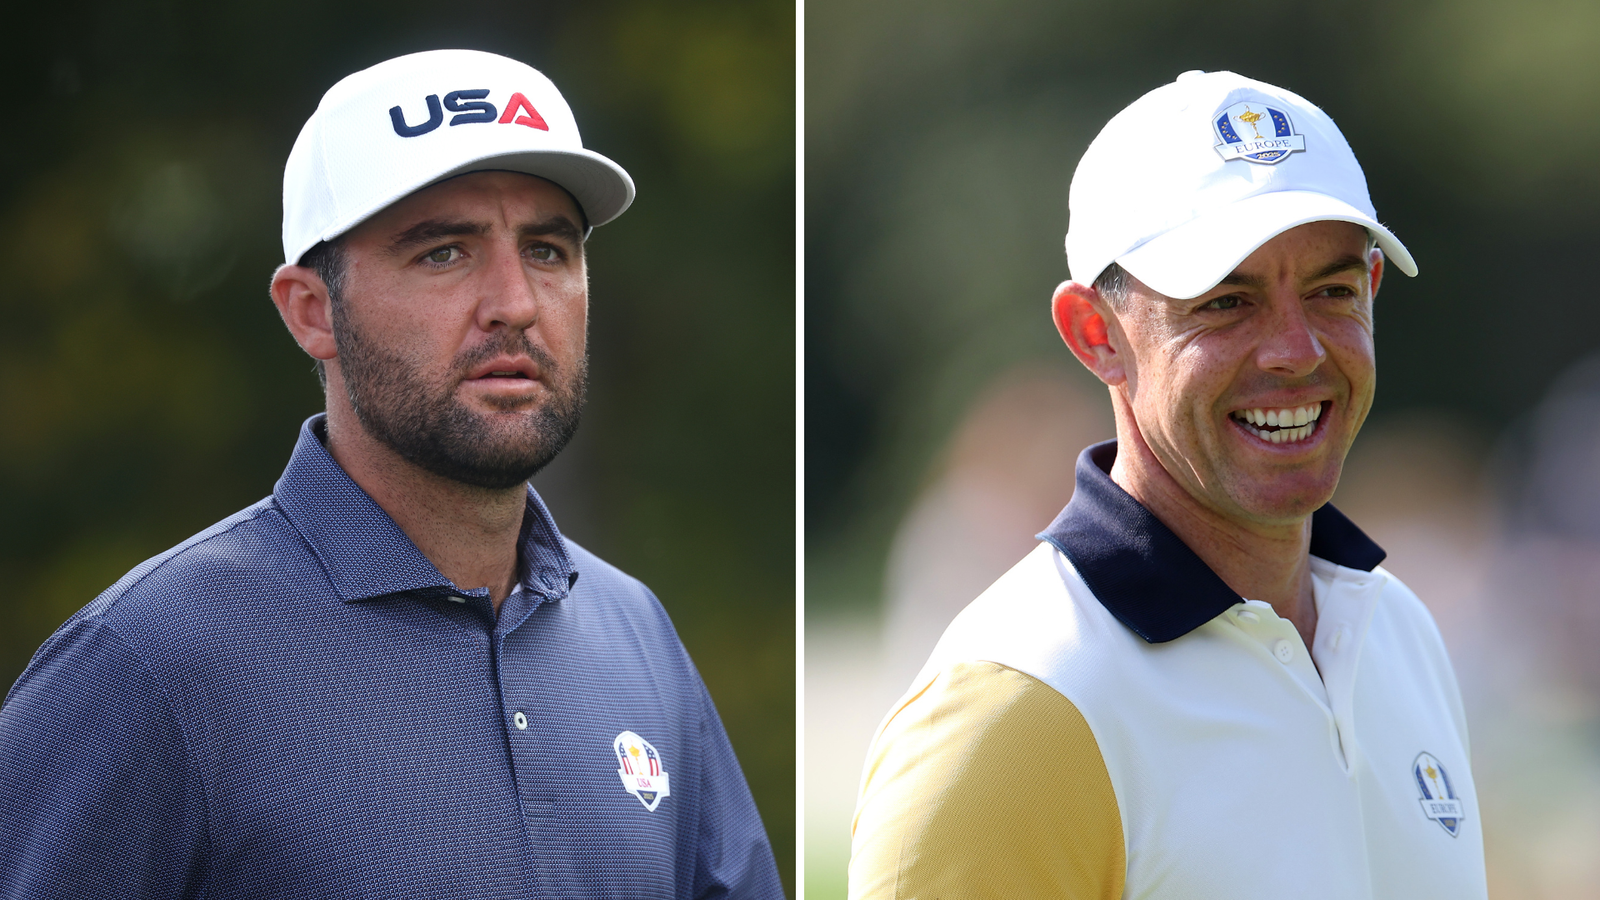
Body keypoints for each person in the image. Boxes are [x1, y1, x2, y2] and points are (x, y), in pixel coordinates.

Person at [0, 49, 782, 899]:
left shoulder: (637, 635)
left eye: (547, 249)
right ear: (312, 311)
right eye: (444, 253)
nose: (516, 303)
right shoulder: (147, 665)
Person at [849, 70, 1487, 899]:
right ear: (1096, 334)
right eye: (1226, 303)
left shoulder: (1399, 631)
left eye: (1331, 291)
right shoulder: (1010, 718)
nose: (1296, 350)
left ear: (1370, 292)